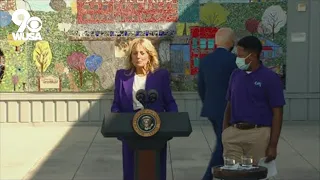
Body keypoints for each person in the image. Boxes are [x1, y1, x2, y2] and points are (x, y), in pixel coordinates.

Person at [111, 38, 178, 180]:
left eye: (142, 53)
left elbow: (169, 102)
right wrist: (116, 121)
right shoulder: (122, 76)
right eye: (134, 53)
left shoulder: (161, 76)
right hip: (130, 129)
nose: (138, 56)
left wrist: (173, 122)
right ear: (130, 56)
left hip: (156, 129)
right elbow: (116, 103)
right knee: (131, 170)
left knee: (155, 170)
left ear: (150, 55)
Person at [222, 36, 285, 165]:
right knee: (232, 174)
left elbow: (277, 112)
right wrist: (225, 132)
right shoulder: (235, 75)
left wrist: (273, 145)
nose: (237, 59)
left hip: (258, 135)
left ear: (252, 56)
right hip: (233, 134)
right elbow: (229, 104)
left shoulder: (270, 78)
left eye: (240, 55)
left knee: (256, 174)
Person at [197, 28, 237, 180]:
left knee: (224, 143)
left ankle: (227, 172)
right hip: (229, 110)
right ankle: (209, 176)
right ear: (232, 42)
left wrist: (208, 103)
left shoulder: (206, 60)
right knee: (224, 145)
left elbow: (201, 87)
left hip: (211, 109)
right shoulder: (234, 61)